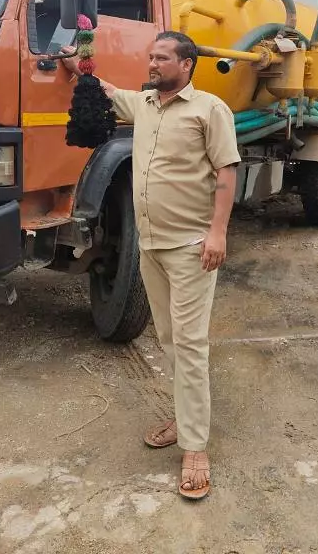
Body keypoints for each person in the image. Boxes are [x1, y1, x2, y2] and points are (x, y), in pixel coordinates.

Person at [62, 31, 240, 500]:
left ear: (186, 64)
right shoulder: (143, 104)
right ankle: (185, 420)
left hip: (191, 246)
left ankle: (196, 447)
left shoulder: (209, 110)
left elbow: (226, 172)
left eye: (162, 57)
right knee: (166, 337)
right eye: (151, 56)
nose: (153, 63)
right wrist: (76, 63)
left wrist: (218, 233)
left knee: (191, 343)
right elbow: (103, 92)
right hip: (152, 246)